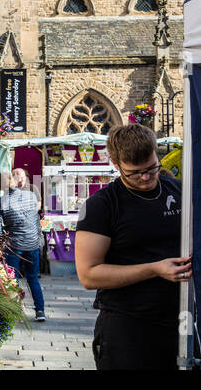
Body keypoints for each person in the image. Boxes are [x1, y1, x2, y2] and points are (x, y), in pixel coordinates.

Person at [75, 123, 188, 370]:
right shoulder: (101, 206)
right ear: (116, 164)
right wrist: (155, 269)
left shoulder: (180, 191)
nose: (146, 177)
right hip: (128, 326)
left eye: (151, 168)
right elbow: (88, 274)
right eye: (134, 173)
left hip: (181, 321)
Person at [0, 167, 46, 321]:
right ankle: (40, 311)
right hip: (32, 242)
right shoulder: (30, 196)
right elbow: (35, 219)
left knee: (12, 278)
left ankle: (16, 312)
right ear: (14, 183)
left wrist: (1, 244)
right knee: (32, 277)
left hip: (13, 244)